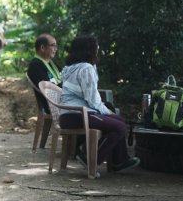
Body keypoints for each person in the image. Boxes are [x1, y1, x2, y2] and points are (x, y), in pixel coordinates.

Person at [59, 35, 139, 173]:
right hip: (78, 114)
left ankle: (119, 161)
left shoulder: (70, 68)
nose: (98, 50)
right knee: (119, 127)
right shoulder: (86, 68)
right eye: (96, 47)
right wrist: (108, 112)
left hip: (69, 115)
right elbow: (93, 100)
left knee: (118, 121)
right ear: (90, 50)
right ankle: (90, 159)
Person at [26, 34, 61, 150]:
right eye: (53, 45)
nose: (56, 48)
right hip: (51, 104)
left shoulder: (49, 63)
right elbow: (47, 89)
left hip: (58, 100)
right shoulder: (36, 65)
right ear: (42, 48)